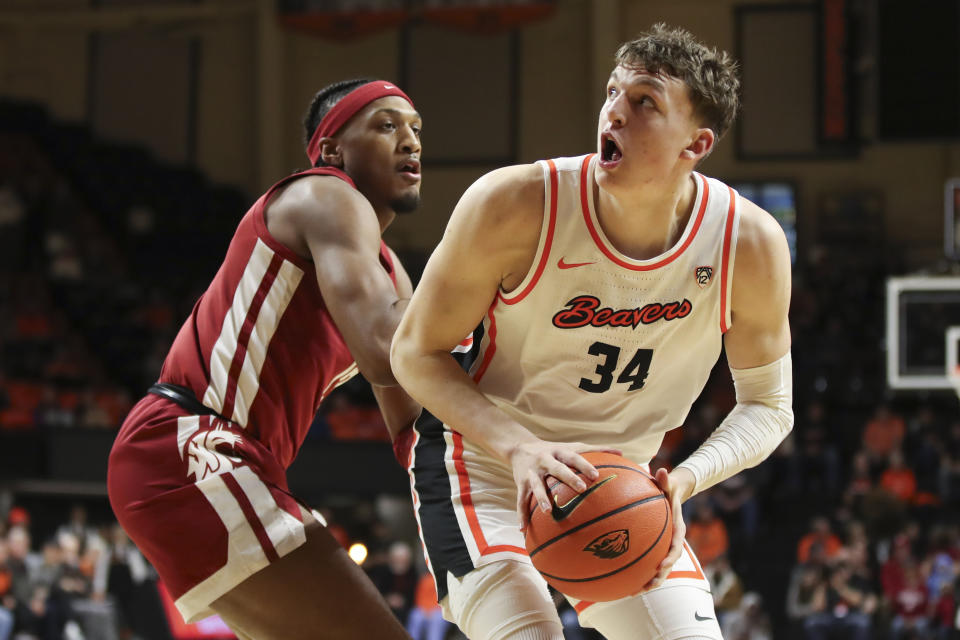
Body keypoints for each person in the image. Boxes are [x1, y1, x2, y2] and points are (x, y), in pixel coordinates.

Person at [391, 23, 793, 640]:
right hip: (486, 461)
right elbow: (416, 352)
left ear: (697, 144)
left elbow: (769, 405)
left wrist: (684, 478)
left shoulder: (749, 242)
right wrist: (520, 447)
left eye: (645, 103)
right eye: (613, 93)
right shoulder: (516, 203)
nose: (613, 113)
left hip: (619, 480)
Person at [107, 78, 425, 640]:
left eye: (415, 128)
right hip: (191, 445)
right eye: (386, 125)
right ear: (332, 150)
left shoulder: (387, 268)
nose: (410, 141)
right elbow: (386, 355)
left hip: (238, 460)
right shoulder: (322, 195)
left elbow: (415, 430)